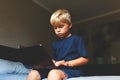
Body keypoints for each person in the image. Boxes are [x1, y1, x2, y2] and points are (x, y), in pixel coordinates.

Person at [27, 9, 88, 80]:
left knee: (53, 73)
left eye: (61, 26)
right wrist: (42, 65)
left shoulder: (76, 39)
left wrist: (68, 63)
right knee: (33, 73)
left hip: (72, 70)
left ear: (70, 25)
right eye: (55, 28)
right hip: (57, 69)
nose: (58, 30)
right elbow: (53, 60)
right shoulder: (55, 43)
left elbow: (85, 59)